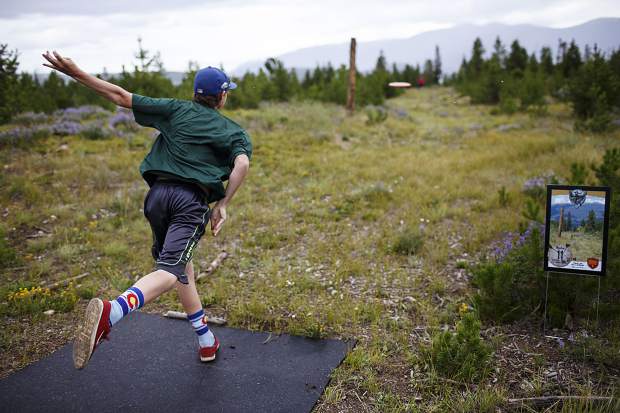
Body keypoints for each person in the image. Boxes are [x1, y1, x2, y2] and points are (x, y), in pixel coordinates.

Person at [42, 51, 252, 369]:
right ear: (221, 96)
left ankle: (206, 340)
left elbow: (120, 96)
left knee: (181, 267)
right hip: (189, 202)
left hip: (156, 198)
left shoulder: (174, 109)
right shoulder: (232, 131)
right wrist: (222, 204)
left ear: (195, 93)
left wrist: (76, 73)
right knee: (168, 272)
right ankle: (112, 312)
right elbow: (242, 163)